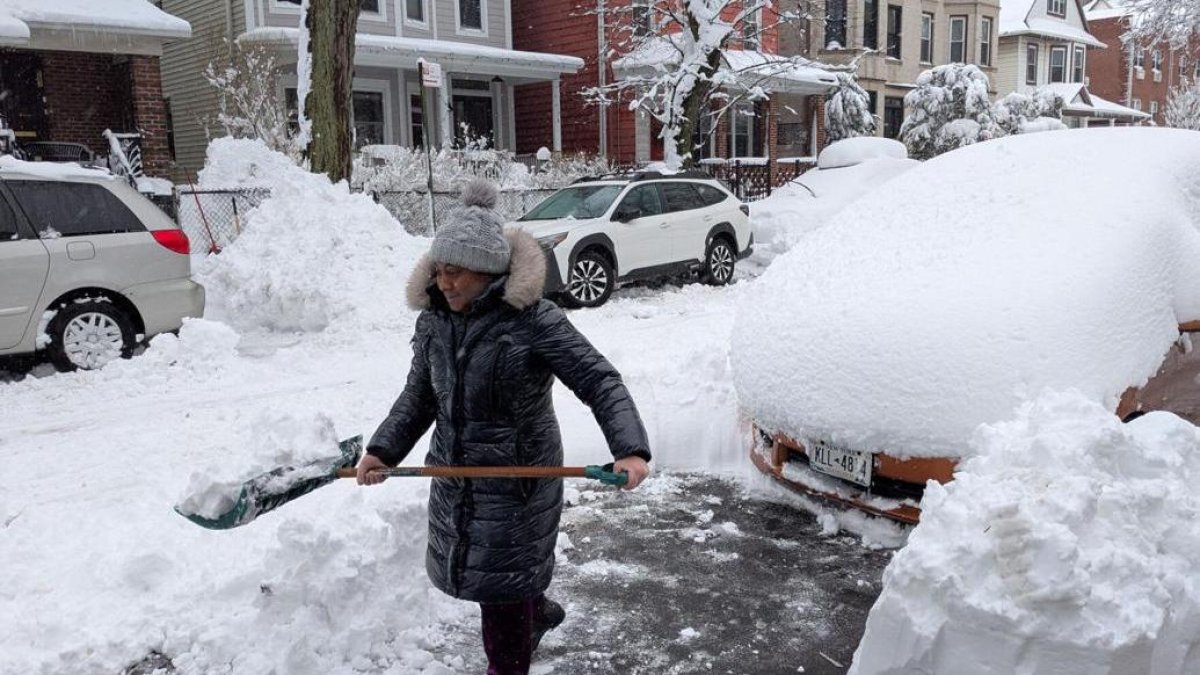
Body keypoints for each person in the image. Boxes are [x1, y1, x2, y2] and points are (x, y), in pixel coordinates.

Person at [358, 178, 652, 675]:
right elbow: (420, 394)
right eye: (440, 270)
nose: (445, 282)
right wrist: (383, 449)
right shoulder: (434, 322)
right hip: (455, 475)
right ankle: (536, 612)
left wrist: (631, 450)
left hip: (519, 481)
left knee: (501, 589)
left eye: (457, 272)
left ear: (490, 272)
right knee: (496, 576)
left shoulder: (534, 321)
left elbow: (599, 381)